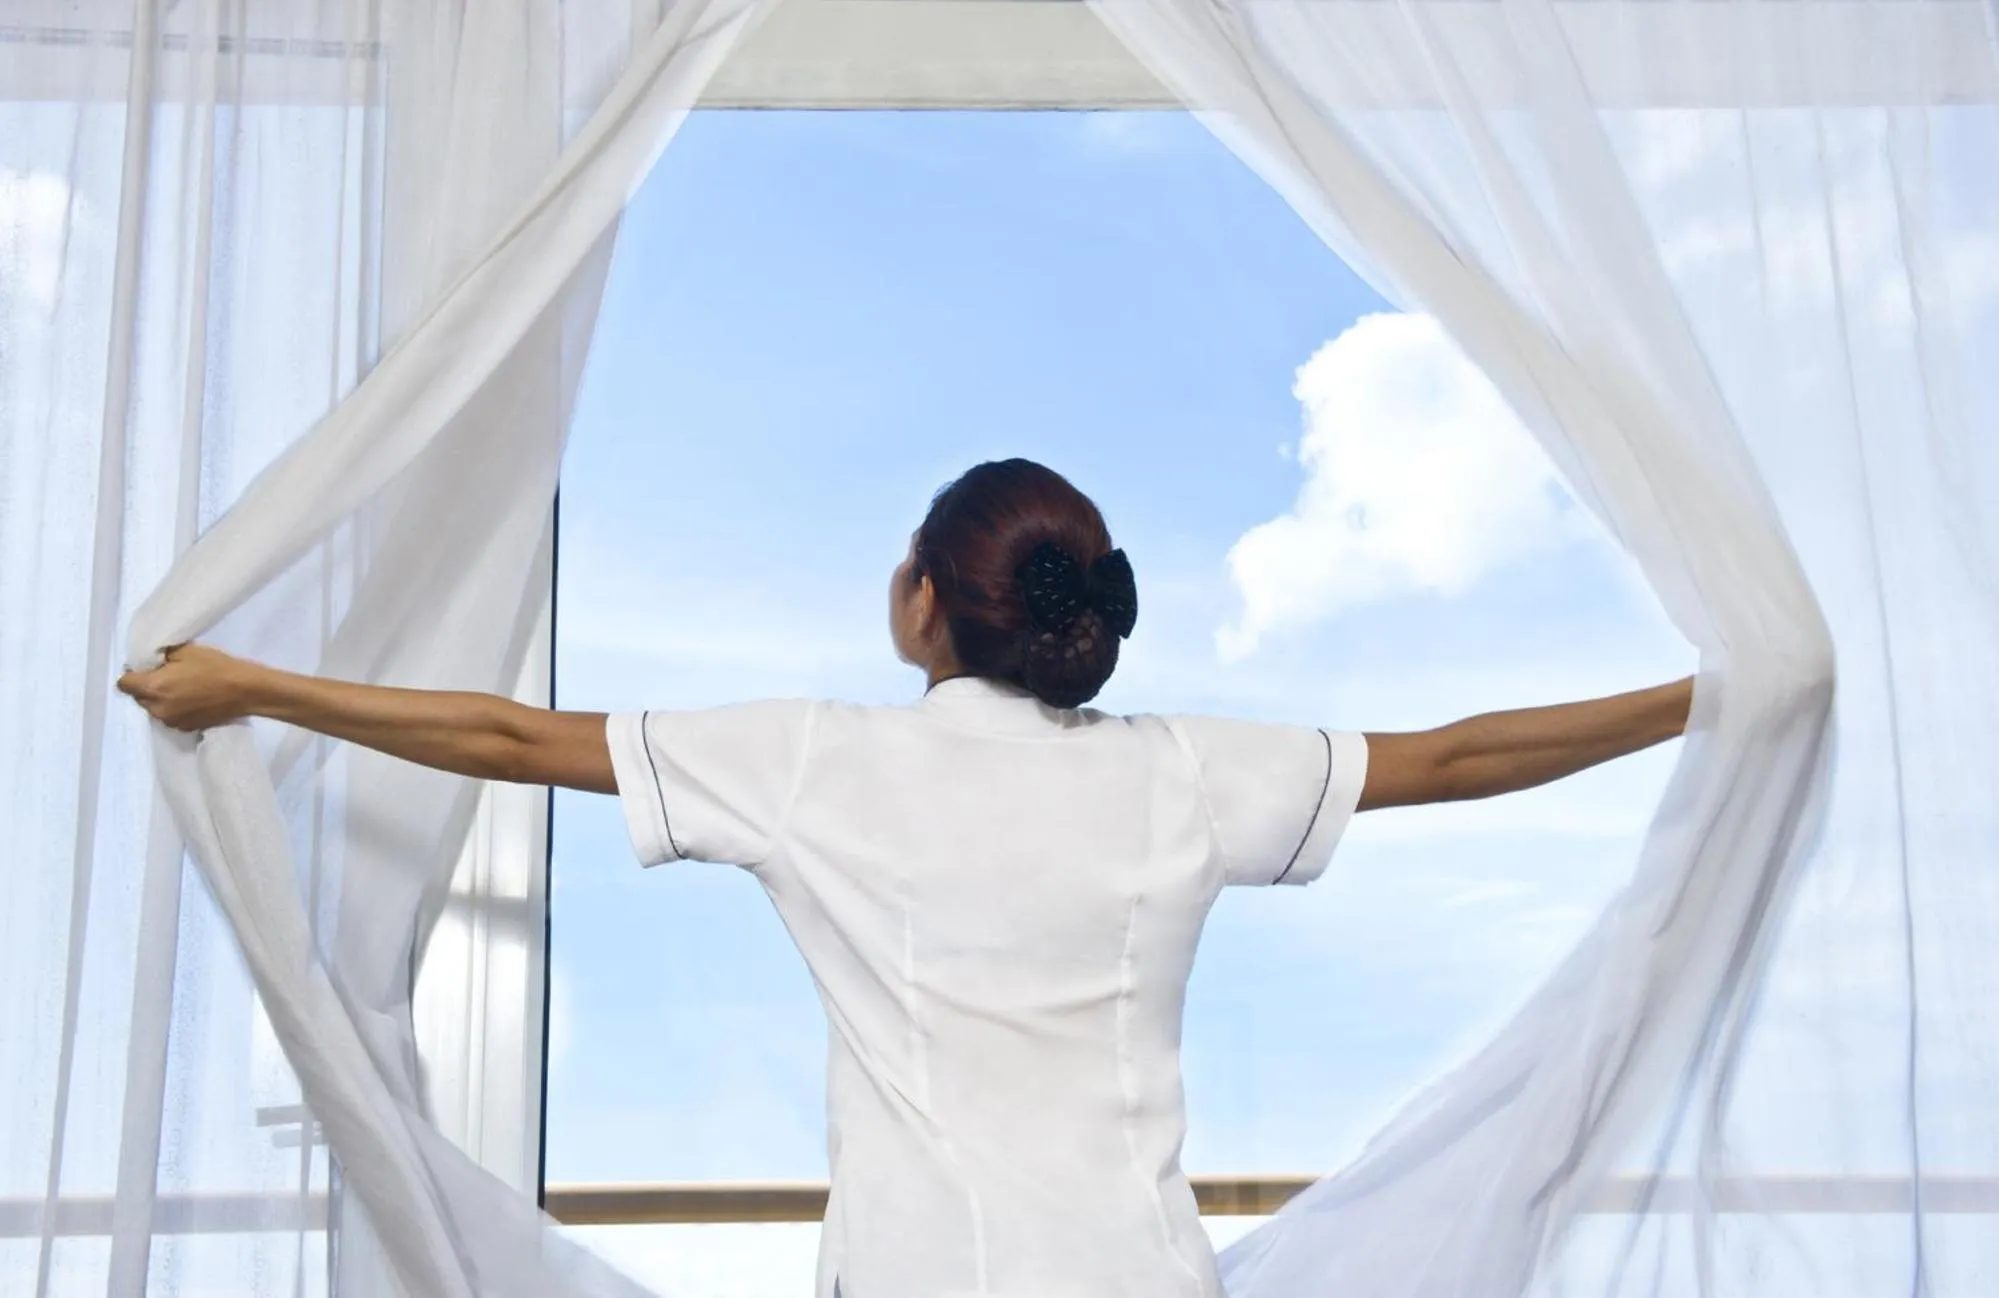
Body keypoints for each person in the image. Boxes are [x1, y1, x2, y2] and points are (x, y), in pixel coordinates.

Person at [119, 458, 1693, 1298]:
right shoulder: (1182, 768)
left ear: (922, 603)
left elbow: (510, 733)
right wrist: (1698, 697)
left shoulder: (816, 762)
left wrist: (255, 685)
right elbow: (1454, 757)